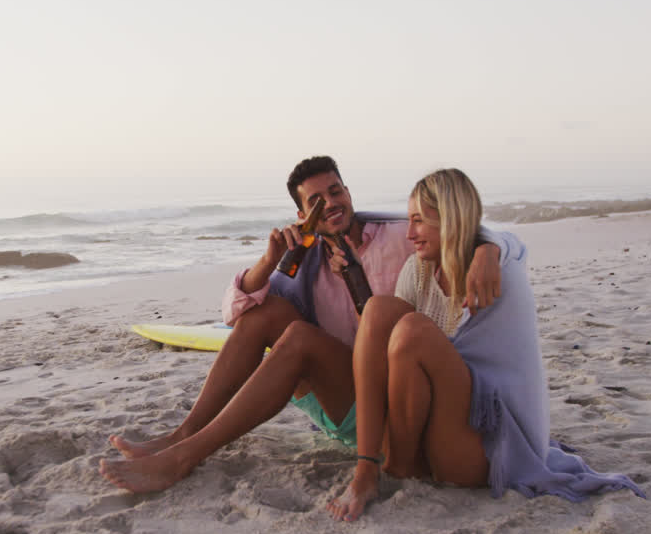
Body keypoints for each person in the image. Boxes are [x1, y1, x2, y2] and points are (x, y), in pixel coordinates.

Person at [100, 157, 502, 493]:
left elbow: (459, 226)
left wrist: (488, 249)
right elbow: (236, 316)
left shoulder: (401, 238)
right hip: (343, 398)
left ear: (347, 192)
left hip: (398, 403)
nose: (330, 204)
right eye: (316, 201)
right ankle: (182, 435)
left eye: (336, 192)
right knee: (267, 314)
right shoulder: (301, 262)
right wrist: (270, 260)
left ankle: (183, 458)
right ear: (302, 215)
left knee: (300, 337)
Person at [326, 168, 644, 521]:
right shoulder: (417, 270)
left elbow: (514, 244)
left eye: (419, 221)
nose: (410, 232)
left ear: (449, 218)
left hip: (487, 444)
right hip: (433, 432)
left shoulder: (495, 271)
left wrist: (491, 248)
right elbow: (387, 352)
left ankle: (398, 469)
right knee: (379, 309)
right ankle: (368, 470)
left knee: (413, 331)